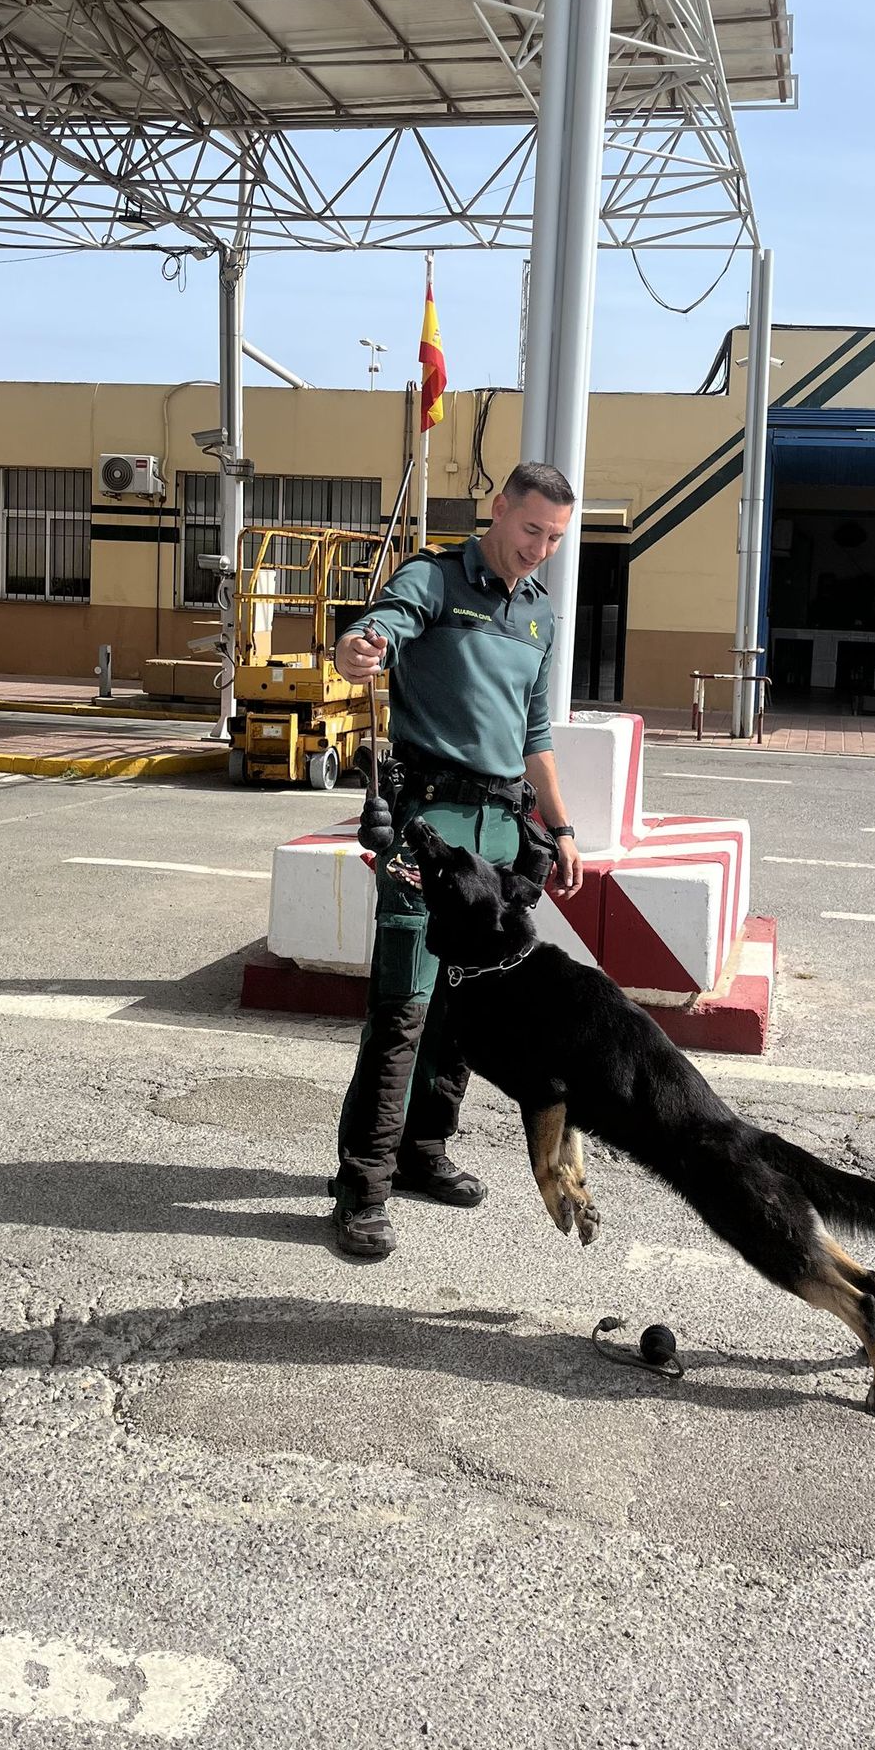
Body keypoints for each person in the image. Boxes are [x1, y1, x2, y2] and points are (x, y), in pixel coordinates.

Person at [329, 462, 584, 1260]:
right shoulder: (436, 578)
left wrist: (563, 826)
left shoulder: (540, 616)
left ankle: (423, 1151)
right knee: (402, 1008)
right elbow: (385, 624)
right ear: (499, 509)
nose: (539, 548)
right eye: (530, 529)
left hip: (502, 839)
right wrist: (357, 647)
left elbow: (534, 736)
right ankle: (361, 1187)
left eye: (554, 538)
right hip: (431, 832)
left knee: (464, 1012)